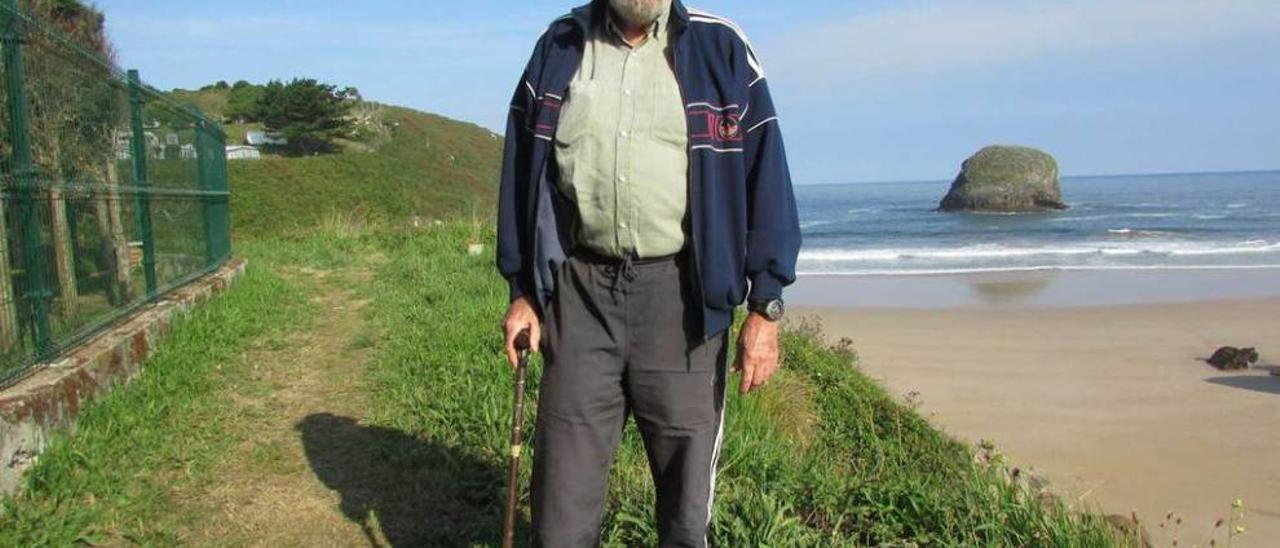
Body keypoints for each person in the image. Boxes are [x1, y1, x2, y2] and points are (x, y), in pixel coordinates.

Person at [496, 0, 800, 545]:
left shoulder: (721, 47)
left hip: (683, 301)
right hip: (580, 296)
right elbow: (522, 172)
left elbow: (767, 178)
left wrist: (765, 307)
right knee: (559, 517)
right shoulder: (558, 47)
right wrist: (524, 292)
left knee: (686, 515)